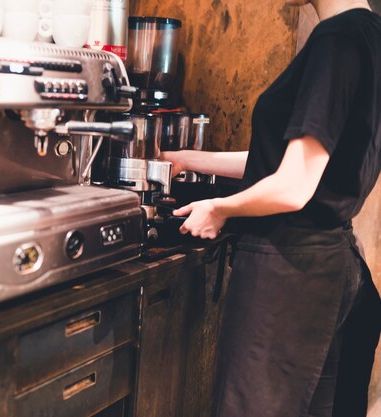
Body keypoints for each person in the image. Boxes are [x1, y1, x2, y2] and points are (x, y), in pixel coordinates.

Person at [162, 1, 381, 416]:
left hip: (288, 275)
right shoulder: (372, 36)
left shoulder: (336, 39)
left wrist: (221, 208)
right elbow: (290, 162)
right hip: (337, 268)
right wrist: (189, 158)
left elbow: (294, 186)